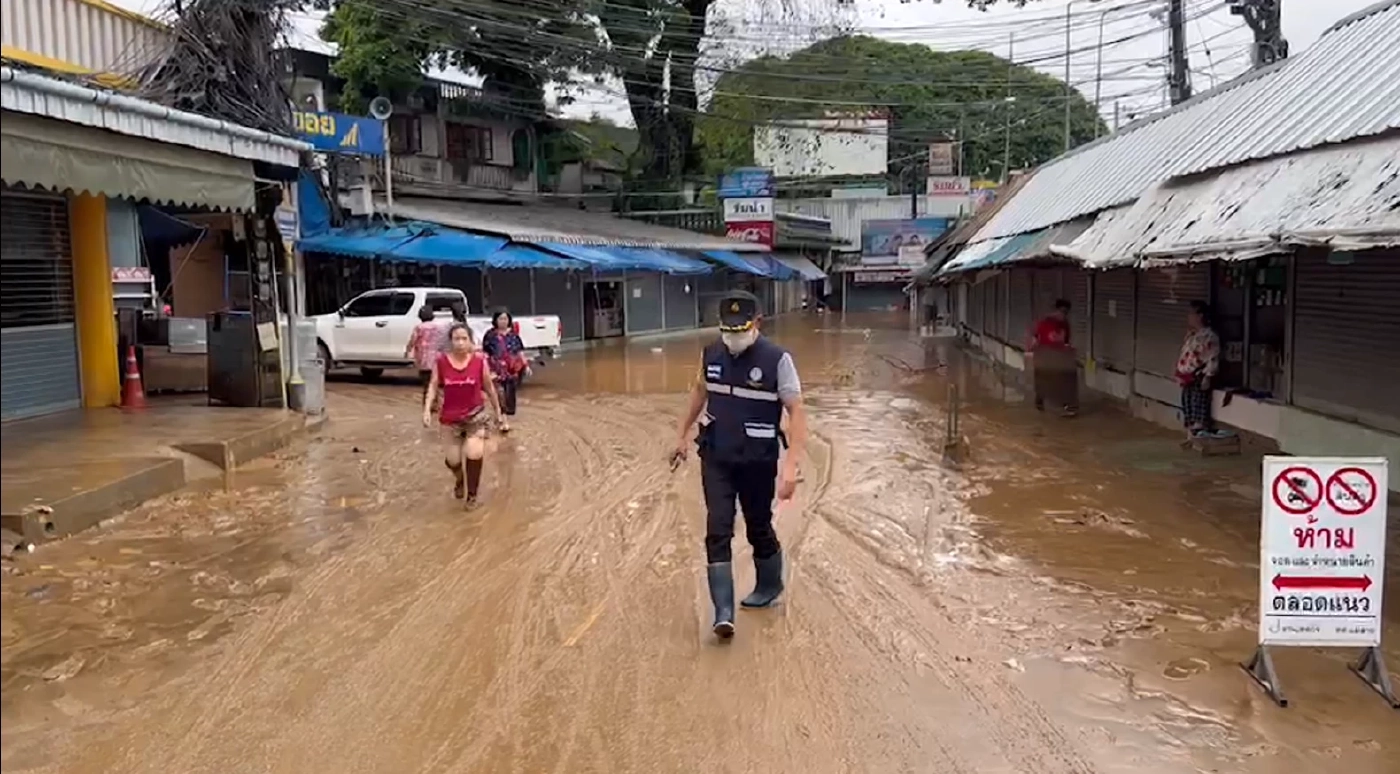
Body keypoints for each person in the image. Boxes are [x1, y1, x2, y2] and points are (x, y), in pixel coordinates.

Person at [670, 290, 807, 639]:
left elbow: (797, 412)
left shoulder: (777, 360)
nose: (732, 338)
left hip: (757, 460)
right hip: (716, 455)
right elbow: (699, 392)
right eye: (727, 331)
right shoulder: (711, 353)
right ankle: (723, 611)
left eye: (739, 330)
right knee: (718, 526)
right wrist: (681, 434)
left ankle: (769, 586)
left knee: (758, 525)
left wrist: (791, 466)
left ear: (757, 324)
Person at [423, 323, 505, 508]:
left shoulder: (479, 362)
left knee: (474, 453)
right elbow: (434, 385)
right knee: (453, 460)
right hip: (450, 419)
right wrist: (427, 409)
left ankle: (472, 497)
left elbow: (489, 388)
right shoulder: (442, 362)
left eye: (464, 339)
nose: (460, 343)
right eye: (456, 339)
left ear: (470, 341)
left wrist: (498, 412)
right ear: (451, 342)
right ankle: (460, 479)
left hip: (475, 416)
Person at [1176, 300, 1220, 441]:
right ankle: (1191, 438)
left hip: (1198, 377)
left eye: (1192, 313)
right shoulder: (1191, 335)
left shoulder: (1210, 336)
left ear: (1200, 315)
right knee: (1188, 410)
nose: (1189, 317)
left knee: (1198, 410)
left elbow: (1213, 358)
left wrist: (1208, 376)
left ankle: (1200, 439)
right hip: (1187, 377)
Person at [1028, 299, 1079, 417]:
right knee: (1047, 377)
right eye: (1062, 311)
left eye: (1065, 312)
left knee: (1060, 378)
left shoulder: (1063, 323)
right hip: (1047, 353)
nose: (1063, 314)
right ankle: (1042, 401)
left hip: (1053, 354)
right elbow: (1035, 337)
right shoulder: (1046, 321)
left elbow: (1065, 341)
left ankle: (1063, 404)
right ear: (1058, 310)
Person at [481, 310, 528, 421]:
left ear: (509, 320)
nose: (503, 321)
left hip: (512, 370)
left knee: (510, 394)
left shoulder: (514, 335)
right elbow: (485, 353)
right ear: (495, 320)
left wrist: (526, 365)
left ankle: (507, 415)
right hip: (495, 369)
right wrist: (486, 368)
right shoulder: (490, 335)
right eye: (500, 319)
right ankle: (502, 417)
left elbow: (520, 352)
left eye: (505, 319)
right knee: (499, 393)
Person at [406, 306, 445, 404]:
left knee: (426, 384)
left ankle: (428, 404)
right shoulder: (439, 327)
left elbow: (412, 341)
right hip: (437, 360)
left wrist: (408, 351)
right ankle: (437, 403)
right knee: (437, 383)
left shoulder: (419, 328)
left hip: (424, 361)